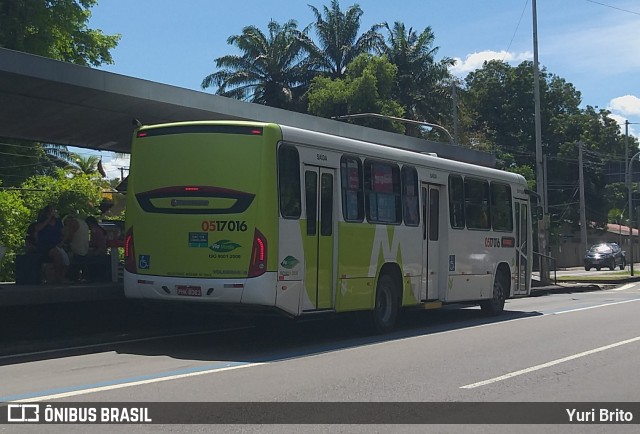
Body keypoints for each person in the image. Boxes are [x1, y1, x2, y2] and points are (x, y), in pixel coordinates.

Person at [34, 205, 69, 284]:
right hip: (45, 246)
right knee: (57, 254)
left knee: (67, 260)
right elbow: (37, 229)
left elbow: (63, 232)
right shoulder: (42, 220)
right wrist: (48, 219)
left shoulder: (58, 222)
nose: (54, 213)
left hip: (58, 245)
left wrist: (63, 242)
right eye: (52, 211)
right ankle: (58, 278)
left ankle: (61, 277)